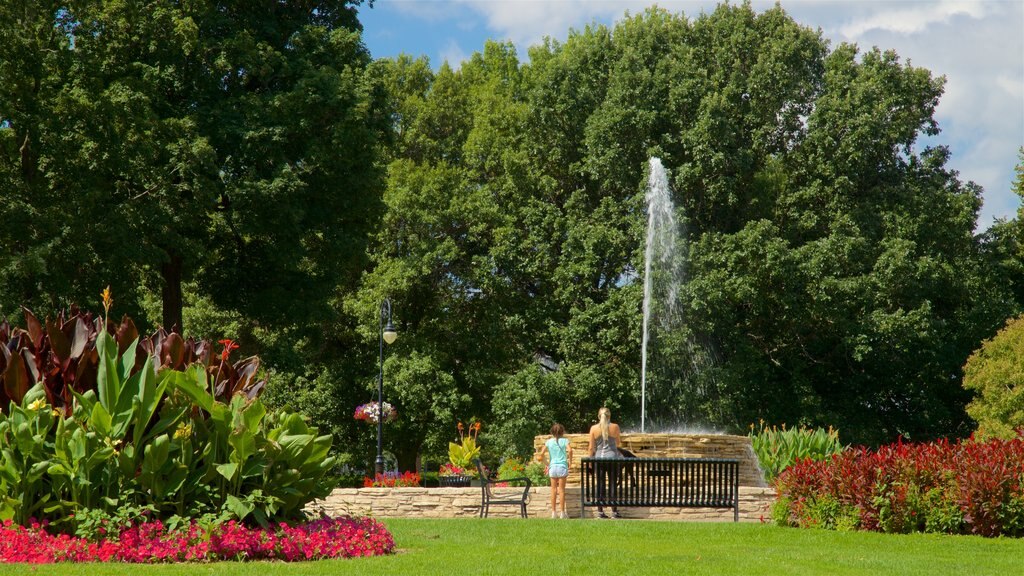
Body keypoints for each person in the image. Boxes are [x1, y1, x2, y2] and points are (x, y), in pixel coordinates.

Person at [587, 407, 621, 518]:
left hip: (599, 459)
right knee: (612, 484)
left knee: (600, 484)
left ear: (598, 416)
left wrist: (590, 461)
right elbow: (618, 443)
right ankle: (614, 512)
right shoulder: (615, 427)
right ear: (609, 416)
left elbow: (591, 447)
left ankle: (600, 512)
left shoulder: (593, 428)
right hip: (612, 458)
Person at [543, 423, 573, 518]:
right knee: (561, 490)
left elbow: (541, 454)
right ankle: (562, 513)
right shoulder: (565, 441)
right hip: (562, 466)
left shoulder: (548, 442)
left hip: (553, 467)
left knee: (553, 490)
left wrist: (547, 464)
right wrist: (570, 462)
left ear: (552, 432)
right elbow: (570, 450)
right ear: (562, 432)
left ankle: (553, 513)